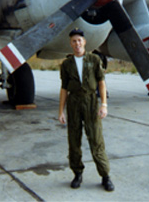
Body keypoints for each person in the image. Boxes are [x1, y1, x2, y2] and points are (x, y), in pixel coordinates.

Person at [58, 28, 114, 192]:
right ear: (70, 43)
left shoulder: (94, 59)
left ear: (84, 42)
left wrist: (104, 104)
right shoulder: (66, 64)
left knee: (96, 140)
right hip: (74, 102)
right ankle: (77, 173)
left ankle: (105, 176)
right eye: (74, 41)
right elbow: (63, 89)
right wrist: (61, 111)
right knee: (74, 141)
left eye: (79, 40)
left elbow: (101, 83)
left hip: (90, 101)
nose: (77, 43)